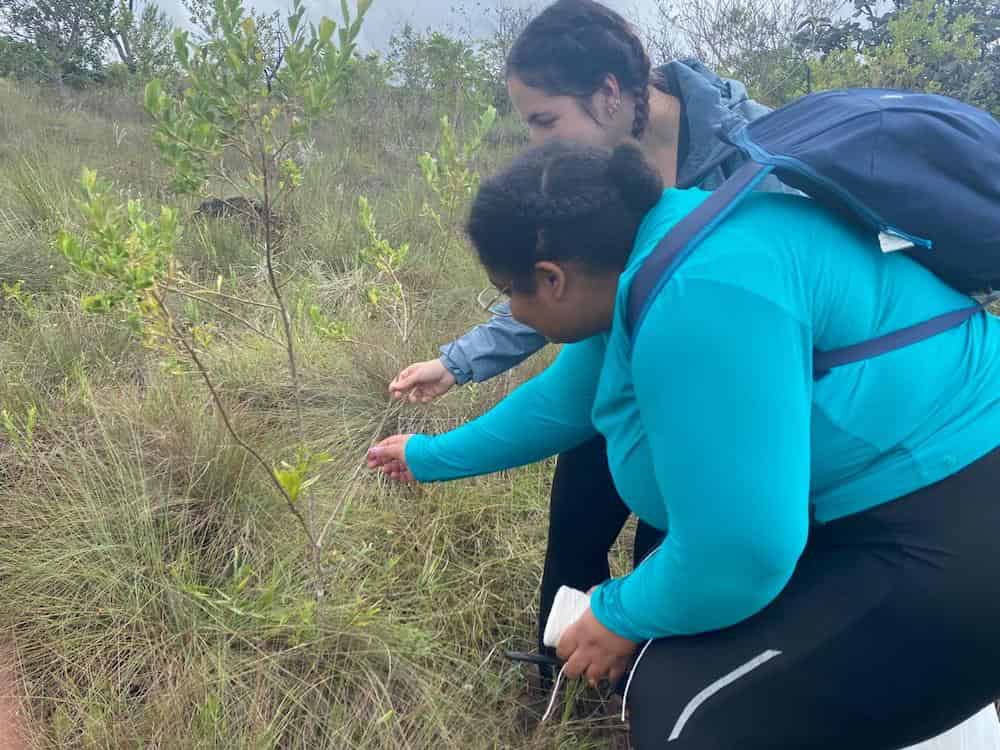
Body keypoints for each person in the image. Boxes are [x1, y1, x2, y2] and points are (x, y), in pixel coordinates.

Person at [368, 138, 1000, 748]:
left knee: (685, 714)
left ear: (552, 278)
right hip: (892, 494)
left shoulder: (699, 294)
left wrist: (616, 612)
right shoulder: (662, 250)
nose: (516, 313)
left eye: (510, 294)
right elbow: (562, 402)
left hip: (954, 515)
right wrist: (427, 457)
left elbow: (741, 553)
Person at [387, 0, 793, 669]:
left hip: (709, 402)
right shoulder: (593, 164)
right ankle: (560, 665)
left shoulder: (755, 160)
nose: (538, 142)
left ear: (609, 93)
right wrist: (459, 363)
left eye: (545, 119)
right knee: (576, 518)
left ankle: (645, 670)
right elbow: (555, 291)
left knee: (671, 539)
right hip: (615, 379)